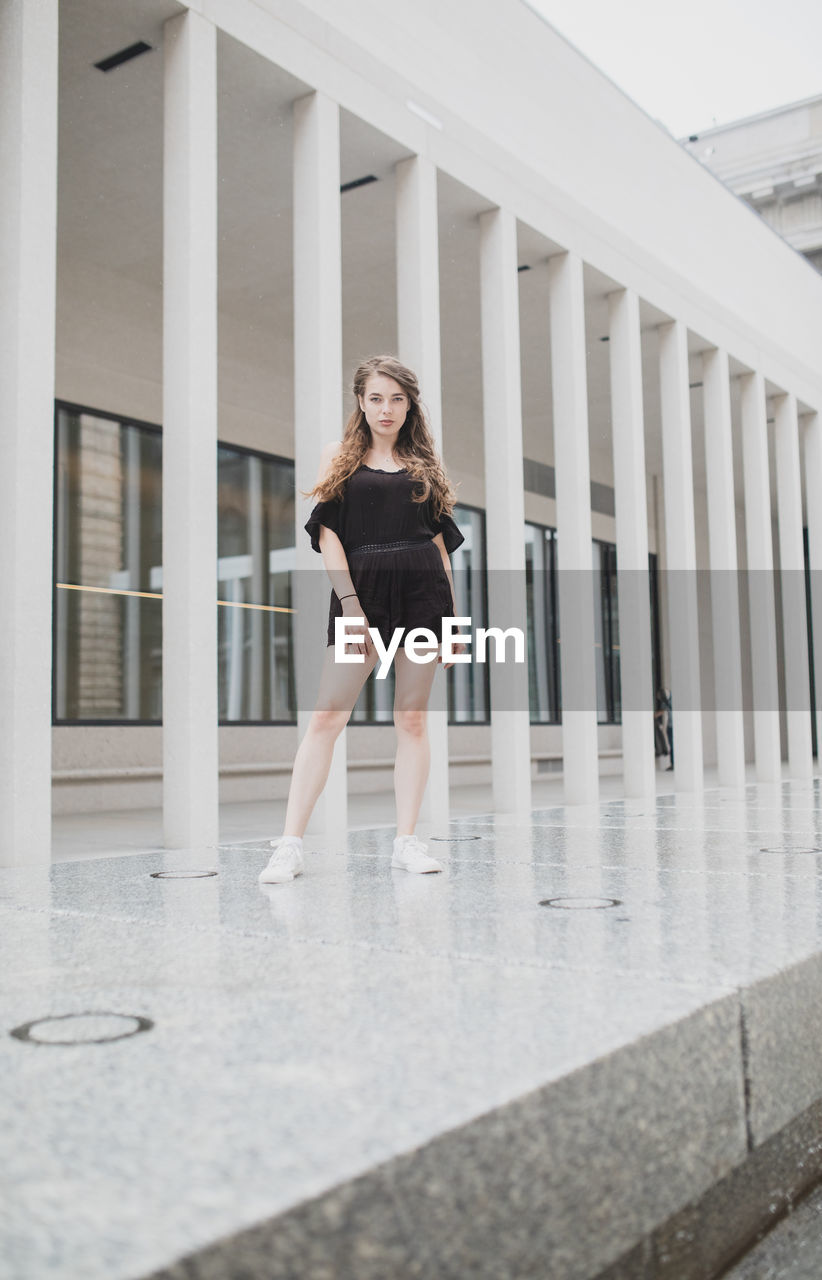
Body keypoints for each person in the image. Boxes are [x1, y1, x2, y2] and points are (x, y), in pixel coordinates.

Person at [259, 355, 466, 885]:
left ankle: (406, 840)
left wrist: (454, 619)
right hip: (362, 590)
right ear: (360, 401)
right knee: (327, 716)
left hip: (423, 593)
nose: (386, 408)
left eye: (397, 399)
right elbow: (328, 535)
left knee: (412, 719)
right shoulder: (340, 457)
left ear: (409, 405)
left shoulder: (425, 462)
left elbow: (441, 548)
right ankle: (289, 845)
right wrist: (351, 604)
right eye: (376, 397)